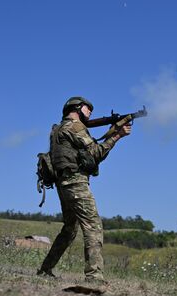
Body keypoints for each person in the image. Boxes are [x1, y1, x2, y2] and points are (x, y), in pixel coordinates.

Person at [37, 96, 131, 282]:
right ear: (77, 108)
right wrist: (117, 136)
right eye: (88, 108)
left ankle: (46, 269)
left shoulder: (57, 130)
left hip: (62, 183)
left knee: (70, 229)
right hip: (75, 182)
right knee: (93, 225)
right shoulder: (75, 127)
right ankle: (94, 275)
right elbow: (96, 153)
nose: (90, 112)